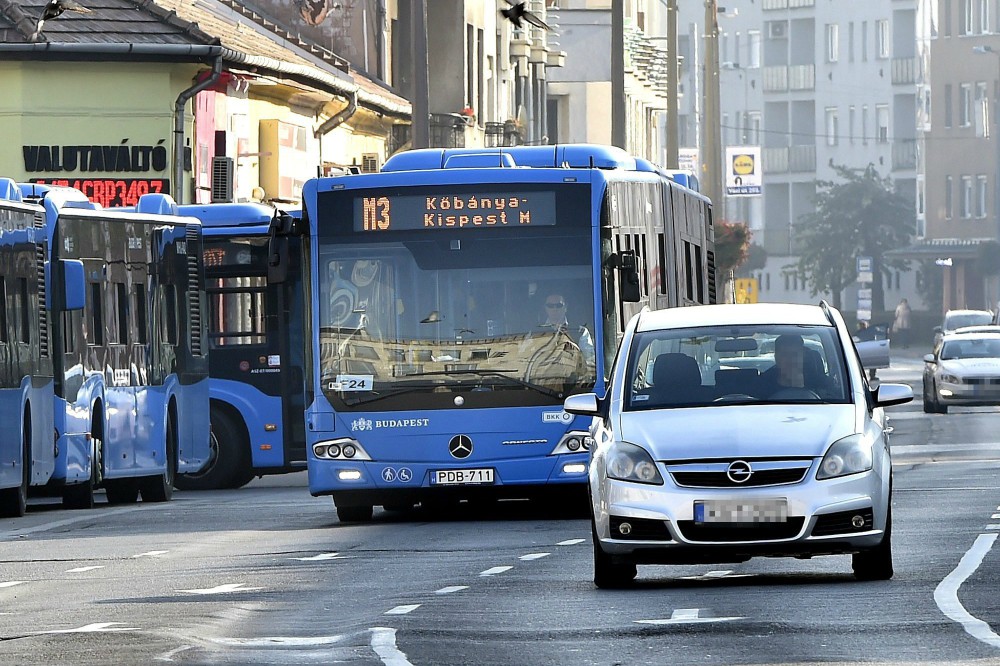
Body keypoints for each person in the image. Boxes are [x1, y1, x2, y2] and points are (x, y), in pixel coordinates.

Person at [758, 334, 825, 398]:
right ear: (776, 358)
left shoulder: (820, 384)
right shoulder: (762, 386)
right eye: (785, 355)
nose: (791, 360)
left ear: (802, 357)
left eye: (795, 355)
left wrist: (800, 386)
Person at [541, 292, 595, 366]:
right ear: (545, 308)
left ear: (566, 307)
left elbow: (590, 360)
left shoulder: (580, 331)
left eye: (559, 305)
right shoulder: (535, 332)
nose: (555, 309)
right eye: (550, 306)